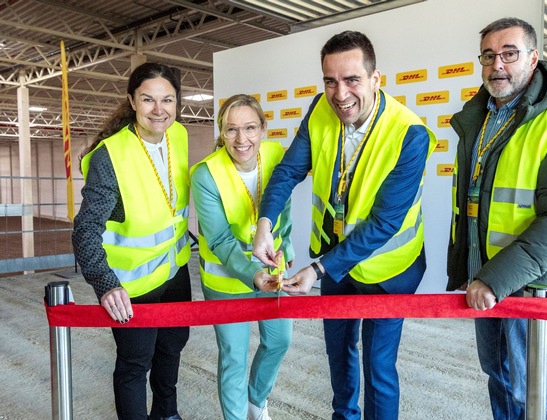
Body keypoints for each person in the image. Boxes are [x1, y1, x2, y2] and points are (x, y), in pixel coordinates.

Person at [252, 31, 437, 419]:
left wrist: (318, 269)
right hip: (336, 264)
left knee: (378, 367)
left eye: (352, 79)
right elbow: (287, 171)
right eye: (330, 81)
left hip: (388, 270)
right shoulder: (321, 108)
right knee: (338, 355)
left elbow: (385, 222)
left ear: (375, 79)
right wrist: (264, 224)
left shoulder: (410, 133)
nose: (340, 94)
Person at [446, 17, 547, 419]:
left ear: (533, 59)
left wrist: (494, 279)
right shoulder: (479, 116)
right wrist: (467, 267)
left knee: (530, 386)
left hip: (531, 282)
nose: (497, 64)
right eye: (488, 55)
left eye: (509, 54)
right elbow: (473, 203)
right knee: (497, 375)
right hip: (484, 275)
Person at [72, 62, 191, 420]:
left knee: (172, 348)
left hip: (175, 271)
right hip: (132, 284)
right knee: (135, 365)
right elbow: (85, 228)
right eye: (148, 99)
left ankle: (167, 414)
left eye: (167, 100)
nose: (159, 109)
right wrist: (106, 284)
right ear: (132, 101)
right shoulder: (111, 155)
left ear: (177, 102)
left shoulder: (179, 135)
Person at [190, 94, 294, 420]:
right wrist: (253, 274)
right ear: (221, 132)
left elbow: (284, 208)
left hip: (271, 272)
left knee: (279, 341)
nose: (241, 139)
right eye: (231, 129)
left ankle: (256, 401)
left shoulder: (276, 155)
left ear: (263, 128)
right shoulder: (206, 174)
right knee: (234, 357)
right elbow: (220, 239)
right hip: (226, 279)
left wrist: (287, 248)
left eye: (250, 128)